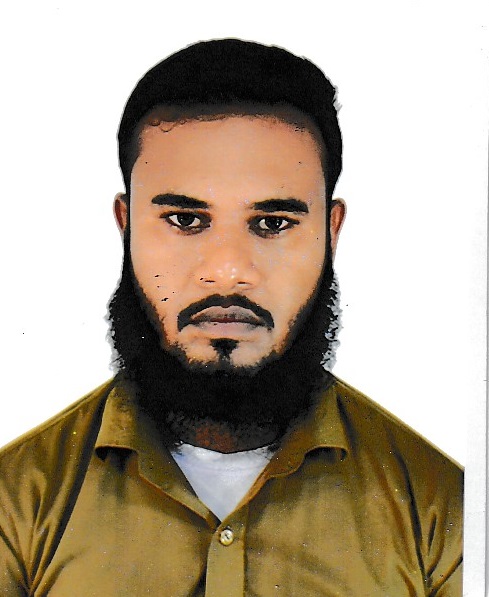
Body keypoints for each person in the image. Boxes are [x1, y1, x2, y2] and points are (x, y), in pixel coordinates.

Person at [0, 39, 462, 596]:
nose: (227, 272)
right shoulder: (13, 503)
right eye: (185, 220)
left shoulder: (446, 511)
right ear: (126, 226)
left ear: (331, 232)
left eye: (272, 224)